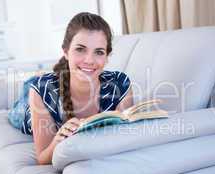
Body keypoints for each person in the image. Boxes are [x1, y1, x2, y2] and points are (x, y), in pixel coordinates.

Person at [8, 12, 133, 165]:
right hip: (32, 102)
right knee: (17, 108)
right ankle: (32, 82)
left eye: (99, 52)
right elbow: (42, 158)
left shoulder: (120, 84)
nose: (89, 60)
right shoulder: (41, 91)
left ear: (107, 56)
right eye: (80, 49)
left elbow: (125, 139)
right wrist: (58, 140)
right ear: (66, 52)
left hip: (55, 82)